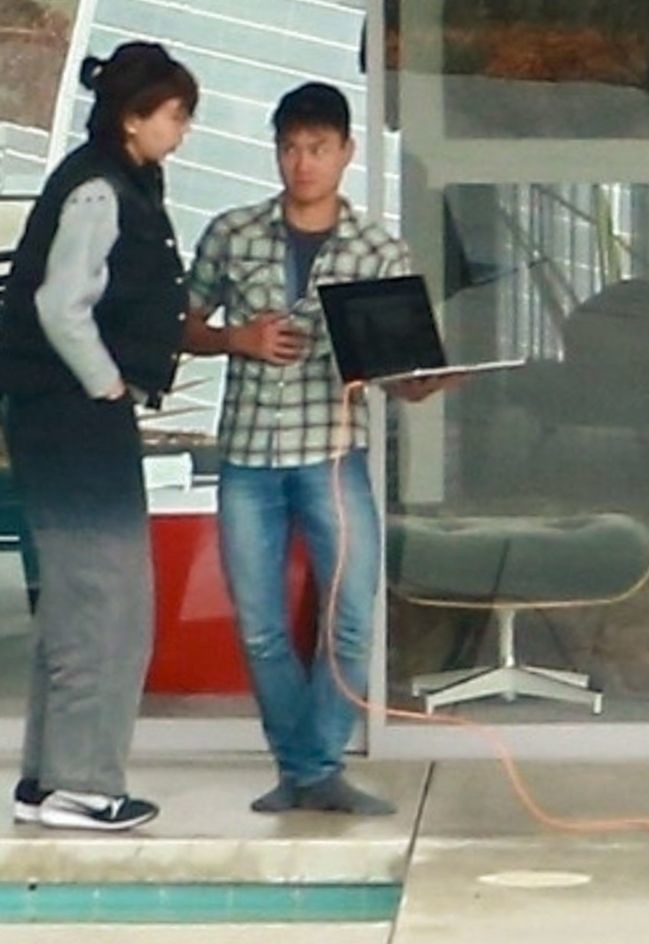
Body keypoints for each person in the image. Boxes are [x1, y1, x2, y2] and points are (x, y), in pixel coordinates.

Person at [182, 82, 445, 816]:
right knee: (260, 624)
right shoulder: (233, 232)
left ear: (347, 152)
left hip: (332, 451)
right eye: (291, 148)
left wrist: (420, 383)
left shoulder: (377, 249)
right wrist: (237, 338)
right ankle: (305, 769)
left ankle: (316, 765)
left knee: (353, 614)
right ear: (276, 152)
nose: (303, 163)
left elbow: (400, 366)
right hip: (248, 454)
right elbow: (182, 324)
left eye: (318, 149)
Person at [0, 41, 198, 831]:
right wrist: (106, 381)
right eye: (175, 115)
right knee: (105, 600)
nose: (182, 130)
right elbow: (61, 304)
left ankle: (48, 778)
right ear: (133, 118)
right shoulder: (98, 190)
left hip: (66, 417)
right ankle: (82, 782)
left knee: (79, 599)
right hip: (73, 415)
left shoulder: (121, 180)